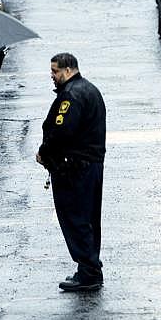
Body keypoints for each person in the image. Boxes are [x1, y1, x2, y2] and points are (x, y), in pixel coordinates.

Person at [36, 53, 106, 292]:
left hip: (74, 168)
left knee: (75, 219)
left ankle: (88, 271)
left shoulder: (71, 96)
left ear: (68, 71)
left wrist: (44, 153)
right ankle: (90, 266)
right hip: (91, 165)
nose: (52, 77)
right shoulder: (90, 90)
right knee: (88, 218)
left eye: (55, 72)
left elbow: (61, 132)